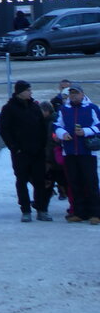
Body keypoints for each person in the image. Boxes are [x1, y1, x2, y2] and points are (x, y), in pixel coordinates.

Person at [0, 80, 51, 221]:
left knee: (40, 181)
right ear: (20, 92)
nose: (30, 92)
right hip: (21, 152)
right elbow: (4, 130)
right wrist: (15, 148)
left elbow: (42, 127)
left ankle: (41, 209)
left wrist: (43, 146)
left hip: (37, 151)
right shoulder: (9, 109)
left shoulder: (34, 107)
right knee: (21, 181)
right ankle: (25, 210)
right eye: (28, 90)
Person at [53, 84, 100, 224]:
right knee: (75, 183)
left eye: (76, 93)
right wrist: (63, 134)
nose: (74, 96)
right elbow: (56, 125)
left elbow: (99, 125)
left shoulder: (92, 108)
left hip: (87, 152)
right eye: (71, 93)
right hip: (70, 152)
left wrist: (86, 131)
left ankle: (95, 213)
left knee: (90, 183)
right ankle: (79, 212)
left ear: (82, 94)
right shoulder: (64, 109)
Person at [40, 100, 69, 204]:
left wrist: (49, 159)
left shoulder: (52, 122)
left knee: (57, 181)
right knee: (53, 182)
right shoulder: (47, 121)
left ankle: (42, 205)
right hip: (54, 159)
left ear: (47, 111)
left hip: (54, 159)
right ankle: (42, 204)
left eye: (41, 111)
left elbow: (52, 143)